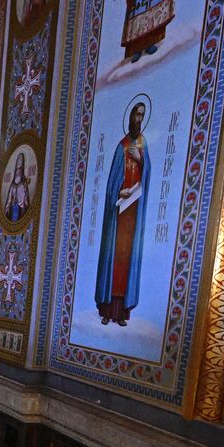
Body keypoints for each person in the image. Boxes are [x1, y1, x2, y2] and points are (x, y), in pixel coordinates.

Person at [95, 100, 151, 326]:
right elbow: (111, 184)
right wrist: (120, 191)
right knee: (113, 260)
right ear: (130, 118)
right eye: (136, 115)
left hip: (133, 215)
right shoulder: (121, 146)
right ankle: (108, 311)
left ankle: (122, 314)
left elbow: (147, 175)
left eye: (142, 115)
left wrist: (141, 160)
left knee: (128, 261)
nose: (139, 119)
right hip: (119, 214)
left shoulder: (143, 145)